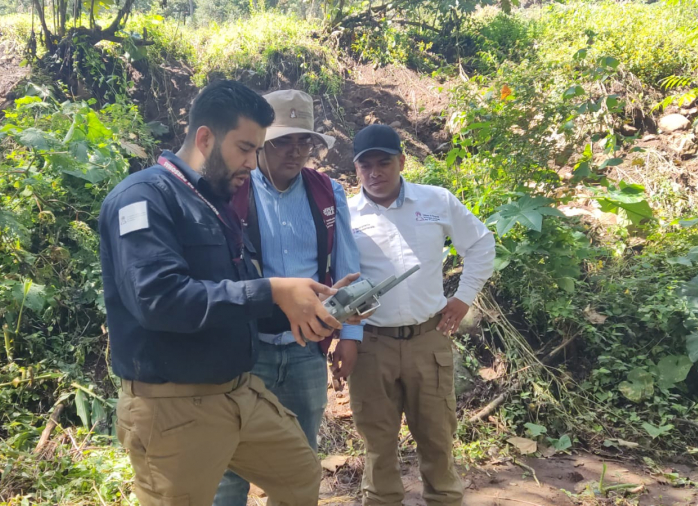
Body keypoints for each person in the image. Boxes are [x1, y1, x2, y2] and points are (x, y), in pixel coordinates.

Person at [99, 80, 343, 506]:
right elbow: (159, 301)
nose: (252, 163)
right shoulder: (143, 198)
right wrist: (271, 289)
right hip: (175, 406)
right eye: (245, 148)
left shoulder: (214, 202)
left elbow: (233, 301)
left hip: (238, 392)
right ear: (205, 137)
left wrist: (309, 306)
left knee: (301, 474)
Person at [214, 89, 365, 506]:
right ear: (262, 141)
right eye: (284, 141)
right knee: (230, 461)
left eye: (305, 141)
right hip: (247, 348)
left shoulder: (327, 193)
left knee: (299, 460)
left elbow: (347, 266)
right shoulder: (232, 190)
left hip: (306, 350)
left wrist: (351, 334)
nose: (296, 152)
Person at [346, 124, 495, 506]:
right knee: (377, 446)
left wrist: (463, 298)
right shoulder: (345, 215)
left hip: (429, 341)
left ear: (402, 161)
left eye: (384, 163)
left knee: (437, 440)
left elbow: (481, 244)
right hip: (371, 345)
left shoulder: (436, 201)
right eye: (366, 166)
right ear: (356, 169)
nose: (375, 173)